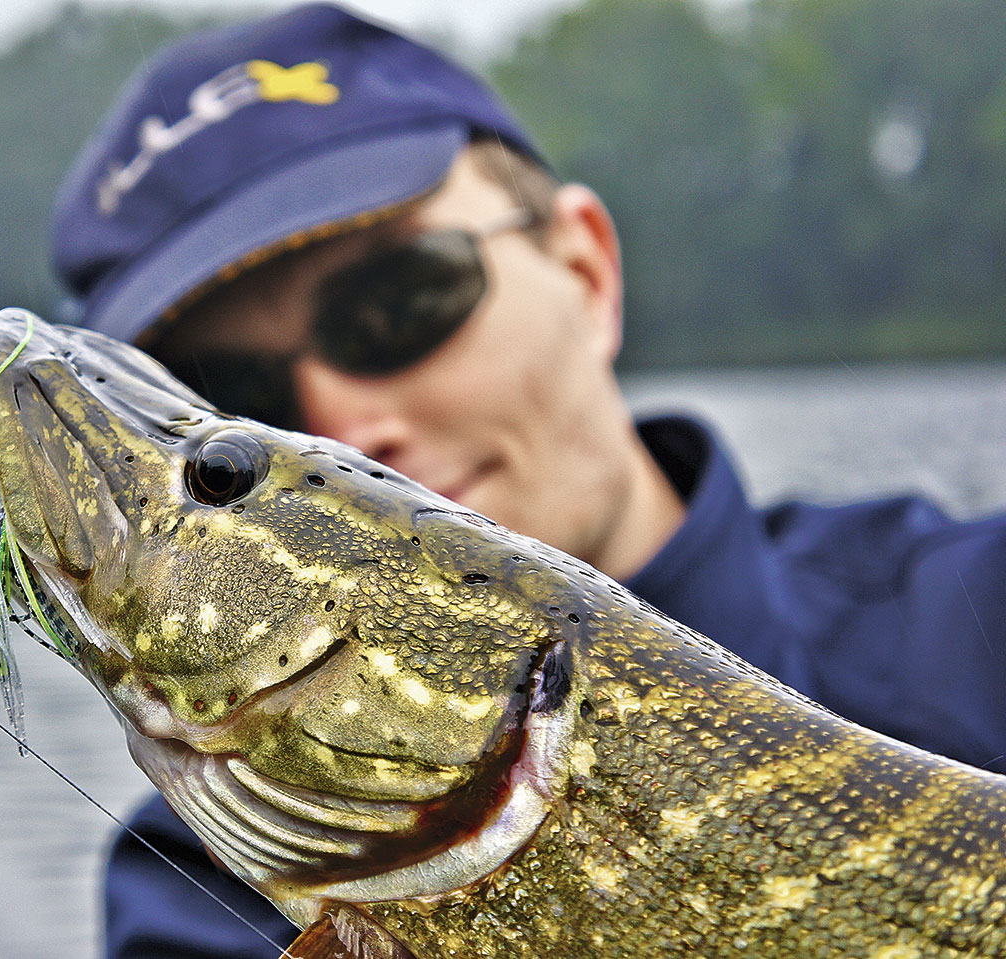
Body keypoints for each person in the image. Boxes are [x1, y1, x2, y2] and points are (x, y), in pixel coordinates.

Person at [48, 5, 1006, 957]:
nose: (339, 424)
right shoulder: (191, 897)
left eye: (397, 305)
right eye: (234, 392)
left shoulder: (981, 619)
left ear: (586, 270)